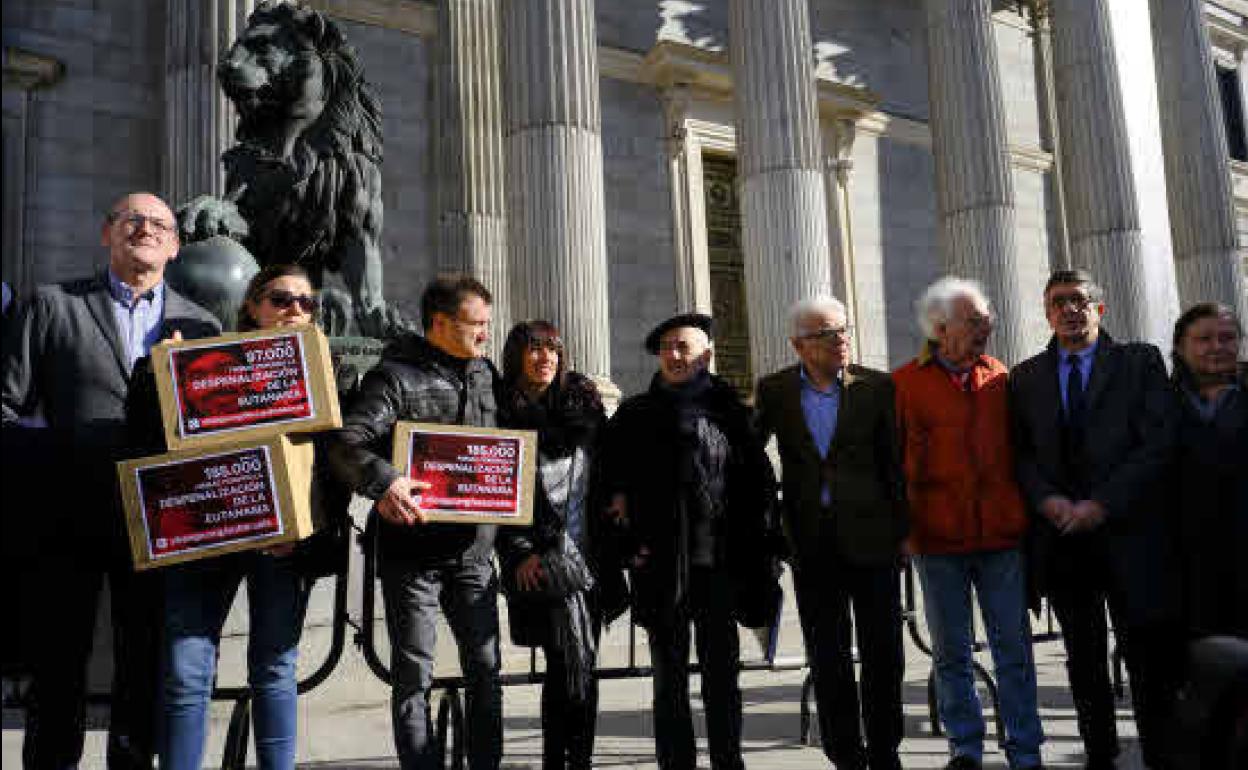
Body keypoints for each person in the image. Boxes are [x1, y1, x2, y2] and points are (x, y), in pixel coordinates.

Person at [1, 192, 220, 769]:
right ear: (108, 234)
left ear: (174, 247)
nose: (145, 229)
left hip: (159, 524)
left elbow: (214, 433)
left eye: (159, 225)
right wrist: (52, 460)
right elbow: (5, 407)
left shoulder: (200, 325)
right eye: (132, 220)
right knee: (58, 663)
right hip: (63, 517)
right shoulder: (50, 304)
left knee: (143, 660)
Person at [128, 264, 323, 770]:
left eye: (306, 303)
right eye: (282, 299)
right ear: (253, 307)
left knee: (276, 668)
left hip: (281, 545)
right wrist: (161, 374)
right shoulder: (203, 361)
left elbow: (339, 461)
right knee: (186, 670)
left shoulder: (329, 371)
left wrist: (306, 530)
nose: (295, 310)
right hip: (205, 532)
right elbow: (153, 435)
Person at [327, 273, 503, 770]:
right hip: (414, 556)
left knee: (487, 670)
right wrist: (384, 483)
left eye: (488, 324)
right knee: (413, 679)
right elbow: (347, 443)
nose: (485, 334)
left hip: (474, 552)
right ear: (441, 322)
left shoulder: (486, 373)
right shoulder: (394, 377)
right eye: (477, 324)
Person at [1010, 269, 1181, 770]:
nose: (1069, 309)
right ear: (1046, 313)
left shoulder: (1139, 362)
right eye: (1058, 302)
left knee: (1144, 657)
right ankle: (1100, 755)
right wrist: (1048, 501)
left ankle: (1159, 753)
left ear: (1099, 309)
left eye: (1079, 300)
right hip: (1064, 541)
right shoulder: (1025, 378)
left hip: (1129, 535)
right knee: (1083, 661)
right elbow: (1021, 455)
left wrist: (1102, 504)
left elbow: (1157, 444)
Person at [601, 312, 784, 770]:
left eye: (684, 347)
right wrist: (628, 546)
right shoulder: (636, 415)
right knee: (669, 680)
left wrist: (766, 547)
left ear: (707, 355)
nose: (675, 356)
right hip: (663, 566)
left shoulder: (734, 414)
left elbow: (758, 484)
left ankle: (728, 760)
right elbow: (608, 486)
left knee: (723, 677)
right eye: (667, 348)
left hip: (721, 565)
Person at [892, 277, 1043, 770]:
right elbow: (897, 464)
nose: (987, 327)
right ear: (939, 329)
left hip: (1000, 536)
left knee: (1013, 650)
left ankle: (1024, 748)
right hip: (937, 540)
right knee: (951, 654)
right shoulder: (904, 384)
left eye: (987, 318)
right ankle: (965, 749)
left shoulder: (999, 375)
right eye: (974, 320)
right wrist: (906, 533)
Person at [755, 296, 908, 770]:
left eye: (844, 329)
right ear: (799, 345)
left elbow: (895, 465)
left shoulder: (876, 387)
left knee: (884, 652)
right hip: (812, 543)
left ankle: (885, 750)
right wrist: (768, 526)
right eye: (827, 333)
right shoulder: (775, 390)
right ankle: (844, 753)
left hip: (874, 541)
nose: (841, 339)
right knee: (828, 655)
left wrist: (903, 533)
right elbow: (749, 454)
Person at [494, 320, 628, 770]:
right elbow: (496, 493)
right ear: (517, 356)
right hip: (539, 557)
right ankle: (559, 758)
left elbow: (611, 469)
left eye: (552, 348)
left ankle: (579, 759)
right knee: (562, 662)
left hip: (589, 557)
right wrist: (519, 551)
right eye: (534, 349)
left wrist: (621, 504)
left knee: (581, 665)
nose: (545, 357)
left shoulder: (584, 408)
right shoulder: (500, 412)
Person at [1168, 302, 1247, 640]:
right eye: (1204, 339)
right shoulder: (1160, 401)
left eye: (1227, 338)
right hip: (1187, 564)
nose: (1217, 347)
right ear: (1181, 347)